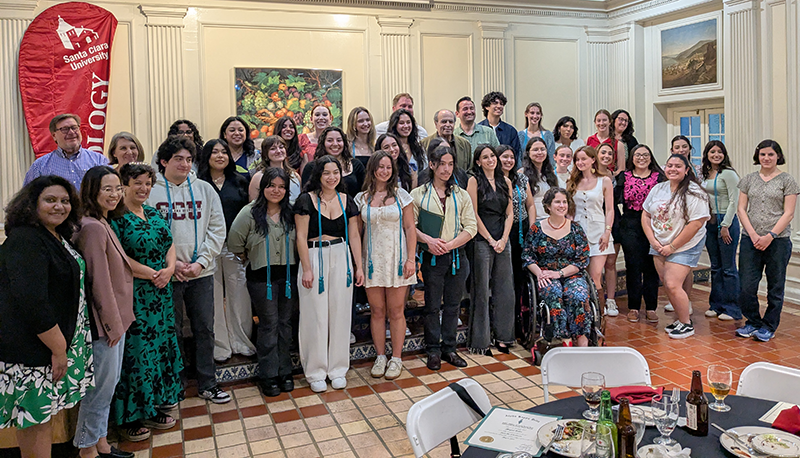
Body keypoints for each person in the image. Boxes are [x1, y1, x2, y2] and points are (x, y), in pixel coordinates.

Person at [0, 176, 93, 457]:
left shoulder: (54, 235)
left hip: (51, 344)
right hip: (35, 349)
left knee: (40, 418)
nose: (59, 206)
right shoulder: (26, 239)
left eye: (65, 201)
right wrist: (57, 348)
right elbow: (32, 301)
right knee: (35, 420)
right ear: (31, 204)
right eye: (50, 200)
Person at [147, 136, 229, 403]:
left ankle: (208, 383)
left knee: (204, 328)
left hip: (200, 272)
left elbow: (218, 229)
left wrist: (200, 262)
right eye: (178, 159)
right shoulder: (151, 192)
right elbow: (146, 234)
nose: (185, 164)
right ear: (163, 161)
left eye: (189, 159)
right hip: (165, 275)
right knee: (171, 330)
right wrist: (170, 265)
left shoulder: (205, 189)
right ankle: (175, 384)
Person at [110, 162, 183, 442]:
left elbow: (170, 244)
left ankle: (153, 406)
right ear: (124, 186)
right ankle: (130, 416)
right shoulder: (116, 218)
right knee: (137, 353)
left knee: (160, 347)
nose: (143, 188)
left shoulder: (153, 213)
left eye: (147, 183)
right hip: (136, 294)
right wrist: (153, 274)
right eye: (137, 183)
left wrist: (169, 268)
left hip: (162, 293)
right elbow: (118, 257)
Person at [72, 167, 136, 457]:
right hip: (106, 324)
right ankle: (87, 449)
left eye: (117, 188)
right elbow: (98, 281)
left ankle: (100, 443)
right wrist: (112, 325)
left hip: (117, 319)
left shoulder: (102, 221)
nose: (114, 194)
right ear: (92, 191)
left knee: (108, 386)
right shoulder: (92, 227)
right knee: (99, 390)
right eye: (106, 189)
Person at [294, 156, 365, 392]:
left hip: (341, 255)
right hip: (315, 257)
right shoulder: (306, 200)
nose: (332, 177)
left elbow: (354, 236)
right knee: (315, 315)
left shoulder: (348, 200)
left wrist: (359, 266)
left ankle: (338, 368)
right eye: (326, 173)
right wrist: (306, 268)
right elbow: (301, 238)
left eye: (336, 172)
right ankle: (315, 371)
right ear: (318, 175)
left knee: (341, 313)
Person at [229, 167, 298, 396]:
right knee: (269, 324)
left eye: (281, 187)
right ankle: (268, 373)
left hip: (288, 276)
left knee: (286, 323)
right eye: (271, 186)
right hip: (261, 279)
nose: (276, 190)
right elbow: (235, 243)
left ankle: (285, 370)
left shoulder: (292, 212)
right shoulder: (249, 213)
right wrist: (248, 255)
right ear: (262, 188)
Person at [411, 145, 477, 371]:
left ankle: (449, 347)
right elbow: (410, 226)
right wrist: (429, 241)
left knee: (452, 304)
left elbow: (471, 227)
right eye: (441, 164)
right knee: (431, 305)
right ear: (432, 165)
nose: (446, 169)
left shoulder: (461, 194)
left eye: (450, 164)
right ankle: (433, 350)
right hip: (431, 258)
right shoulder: (418, 194)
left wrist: (450, 245)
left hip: (457, 256)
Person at [356, 152, 417, 380]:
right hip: (372, 262)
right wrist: (358, 264)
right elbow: (357, 233)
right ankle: (380, 356)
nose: (384, 171)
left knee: (396, 311)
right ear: (372, 169)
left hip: (397, 260)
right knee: (377, 311)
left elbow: (411, 229)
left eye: (388, 167)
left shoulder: (402, 196)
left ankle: (397, 358)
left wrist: (411, 259)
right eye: (380, 167)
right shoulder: (361, 198)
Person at [197, 139, 256, 362]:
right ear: (206, 157)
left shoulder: (240, 181)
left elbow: (248, 216)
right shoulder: (198, 183)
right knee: (213, 298)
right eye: (214, 152)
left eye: (224, 152)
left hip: (235, 249)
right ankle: (220, 346)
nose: (220, 155)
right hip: (208, 249)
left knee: (239, 295)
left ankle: (241, 341)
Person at [735, 140, 799, 342]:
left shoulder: (787, 180)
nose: (766, 158)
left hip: (778, 241)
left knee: (775, 285)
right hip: (750, 240)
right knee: (746, 285)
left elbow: (788, 213)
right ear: (757, 156)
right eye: (763, 154)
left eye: (771, 154)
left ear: (778, 156)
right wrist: (753, 234)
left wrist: (770, 235)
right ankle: (753, 321)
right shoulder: (748, 179)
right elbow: (741, 209)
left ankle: (769, 325)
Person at [642, 154, 709, 339]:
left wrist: (672, 246)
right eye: (669, 165)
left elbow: (696, 224)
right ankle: (681, 319)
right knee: (666, 282)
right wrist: (653, 241)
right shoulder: (658, 189)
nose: (672, 169)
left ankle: (687, 324)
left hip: (685, 244)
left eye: (678, 166)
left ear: (686, 170)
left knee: (672, 284)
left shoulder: (695, 192)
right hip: (659, 242)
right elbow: (646, 214)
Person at [522, 187, 593, 346]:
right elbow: (527, 256)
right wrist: (539, 273)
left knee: (578, 295)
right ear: (548, 206)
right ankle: (564, 339)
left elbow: (581, 260)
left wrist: (559, 273)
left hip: (571, 273)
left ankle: (582, 341)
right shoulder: (537, 229)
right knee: (553, 294)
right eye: (557, 202)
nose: (562, 205)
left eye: (564, 202)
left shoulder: (576, 229)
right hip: (545, 274)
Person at [467, 144, 515, 355]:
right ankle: (481, 340)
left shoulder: (505, 181)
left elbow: (510, 214)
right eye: (485, 157)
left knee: (505, 290)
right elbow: (473, 214)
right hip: (481, 240)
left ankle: (504, 336)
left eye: (492, 156)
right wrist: (489, 239)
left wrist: (503, 239)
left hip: (503, 240)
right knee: (481, 290)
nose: (490, 160)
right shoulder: (474, 181)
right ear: (478, 161)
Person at [615, 145, 665, 323]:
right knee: (633, 267)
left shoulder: (660, 177)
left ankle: (651, 307)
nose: (641, 158)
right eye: (637, 155)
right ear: (632, 158)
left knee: (652, 267)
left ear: (651, 158)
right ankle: (633, 307)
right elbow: (614, 201)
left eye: (645, 154)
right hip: (630, 225)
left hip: (655, 225)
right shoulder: (624, 176)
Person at [567, 146, 617, 316]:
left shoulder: (605, 181)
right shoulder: (572, 181)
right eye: (578, 160)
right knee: (580, 275)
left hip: (599, 233)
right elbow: (569, 210)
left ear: (592, 160)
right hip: (578, 233)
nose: (580, 163)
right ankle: (583, 313)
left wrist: (607, 232)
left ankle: (599, 316)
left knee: (596, 275)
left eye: (584, 159)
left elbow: (610, 209)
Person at [700, 141, 741, 321]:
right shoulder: (706, 173)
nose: (716, 155)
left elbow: (735, 201)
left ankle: (732, 308)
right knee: (715, 267)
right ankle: (716, 305)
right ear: (707, 154)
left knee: (728, 268)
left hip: (726, 222)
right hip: (710, 221)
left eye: (719, 152)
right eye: (712, 152)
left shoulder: (728, 174)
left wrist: (725, 225)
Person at [498, 144, 535, 339]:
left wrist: (534, 227)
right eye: (504, 157)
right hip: (503, 230)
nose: (508, 161)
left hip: (522, 229)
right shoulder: (494, 179)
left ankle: (522, 322)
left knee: (521, 277)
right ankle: (506, 325)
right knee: (507, 278)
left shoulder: (521, 178)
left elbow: (530, 204)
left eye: (511, 157)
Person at [24, 113, 109, 190]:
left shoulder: (99, 161)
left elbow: (110, 189)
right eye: (65, 129)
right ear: (54, 136)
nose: (71, 132)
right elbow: (28, 197)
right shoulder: (40, 166)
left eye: (74, 128)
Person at [664, 135, 698, 314]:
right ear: (672, 150)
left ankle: (687, 299)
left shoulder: (697, 170)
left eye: (684, 146)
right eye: (677, 147)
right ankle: (677, 300)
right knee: (670, 271)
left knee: (686, 267)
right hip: (670, 224)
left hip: (691, 222)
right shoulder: (670, 168)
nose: (681, 150)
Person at [595, 143, 622, 314]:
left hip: (613, 220)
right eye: (603, 152)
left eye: (610, 154)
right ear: (596, 154)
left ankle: (611, 300)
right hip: (595, 220)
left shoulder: (615, 176)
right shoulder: (588, 174)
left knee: (610, 263)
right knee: (595, 266)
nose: (606, 156)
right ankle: (596, 300)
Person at [301, 126, 366, 197]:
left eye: (339, 140)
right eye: (330, 140)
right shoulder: (311, 167)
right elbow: (306, 195)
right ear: (323, 143)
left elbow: (364, 192)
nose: (335, 144)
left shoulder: (356, 165)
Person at [249, 136, 302, 204]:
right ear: (265, 154)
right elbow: (253, 204)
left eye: (281, 147)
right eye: (273, 148)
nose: (278, 151)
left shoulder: (295, 176)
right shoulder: (258, 177)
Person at [521, 136, 559, 222]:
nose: (539, 152)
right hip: (531, 220)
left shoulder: (551, 173)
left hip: (550, 219)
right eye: (535, 150)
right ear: (528, 152)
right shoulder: (522, 173)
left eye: (542, 149)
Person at [479, 92, 521, 158]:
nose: (499, 106)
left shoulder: (511, 131)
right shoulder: (479, 129)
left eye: (501, 104)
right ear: (486, 106)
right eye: (495, 103)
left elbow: (515, 154)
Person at [220, 116, 260, 180]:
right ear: (224, 134)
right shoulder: (218, 156)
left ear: (246, 133)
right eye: (232, 130)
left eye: (240, 130)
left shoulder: (256, 156)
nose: (237, 133)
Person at [299, 105, 333, 170]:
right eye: (317, 115)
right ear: (311, 119)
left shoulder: (337, 141)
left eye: (325, 115)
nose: (321, 118)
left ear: (330, 118)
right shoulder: (301, 139)